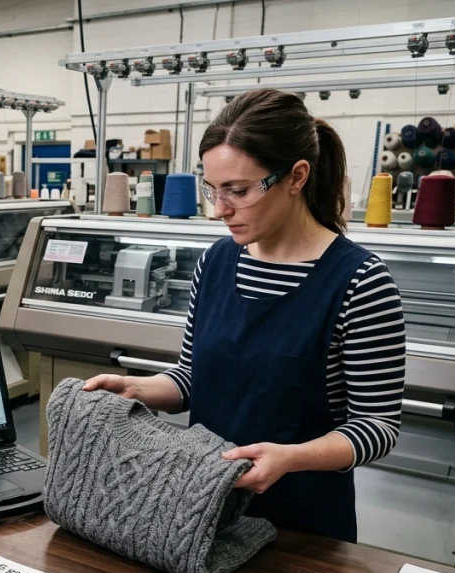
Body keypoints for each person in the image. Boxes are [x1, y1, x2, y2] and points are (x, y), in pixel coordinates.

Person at [85, 88, 405, 543]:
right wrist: (135, 389)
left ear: (296, 177)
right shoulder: (216, 262)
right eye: (212, 190)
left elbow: (377, 426)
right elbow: (193, 378)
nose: (220, 209)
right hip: (201, 512)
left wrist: (291, 458)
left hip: (302, 530)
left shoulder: (360, 282)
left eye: (237, 190)